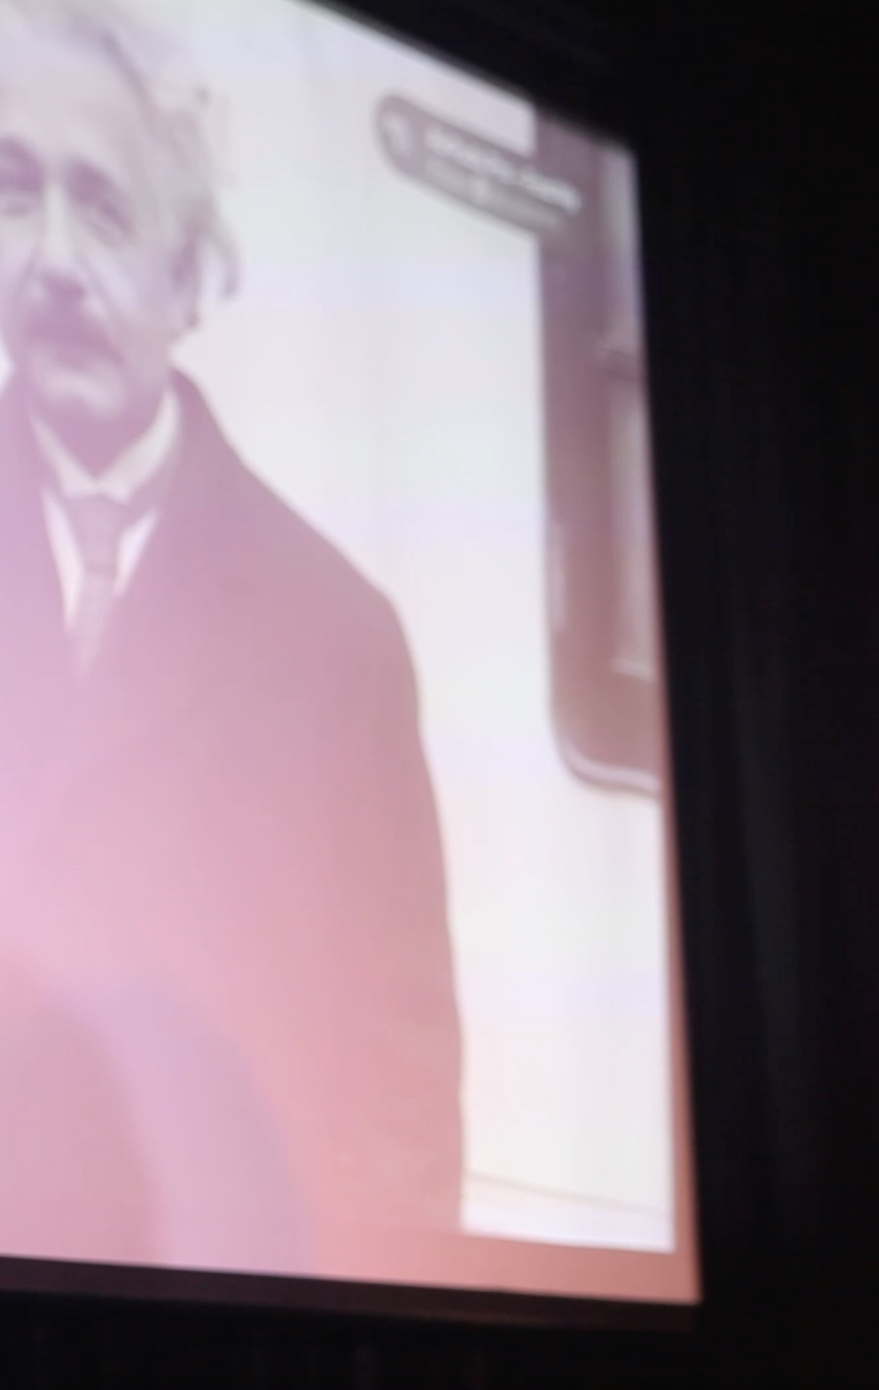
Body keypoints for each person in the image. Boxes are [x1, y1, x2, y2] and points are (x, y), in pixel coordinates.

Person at [0, 0, 462, 1274]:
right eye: (11, 190)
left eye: (100, 208)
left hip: (219, 1300)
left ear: (191, 273)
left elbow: (401, 1081)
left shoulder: (335, 633)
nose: (47, 259)